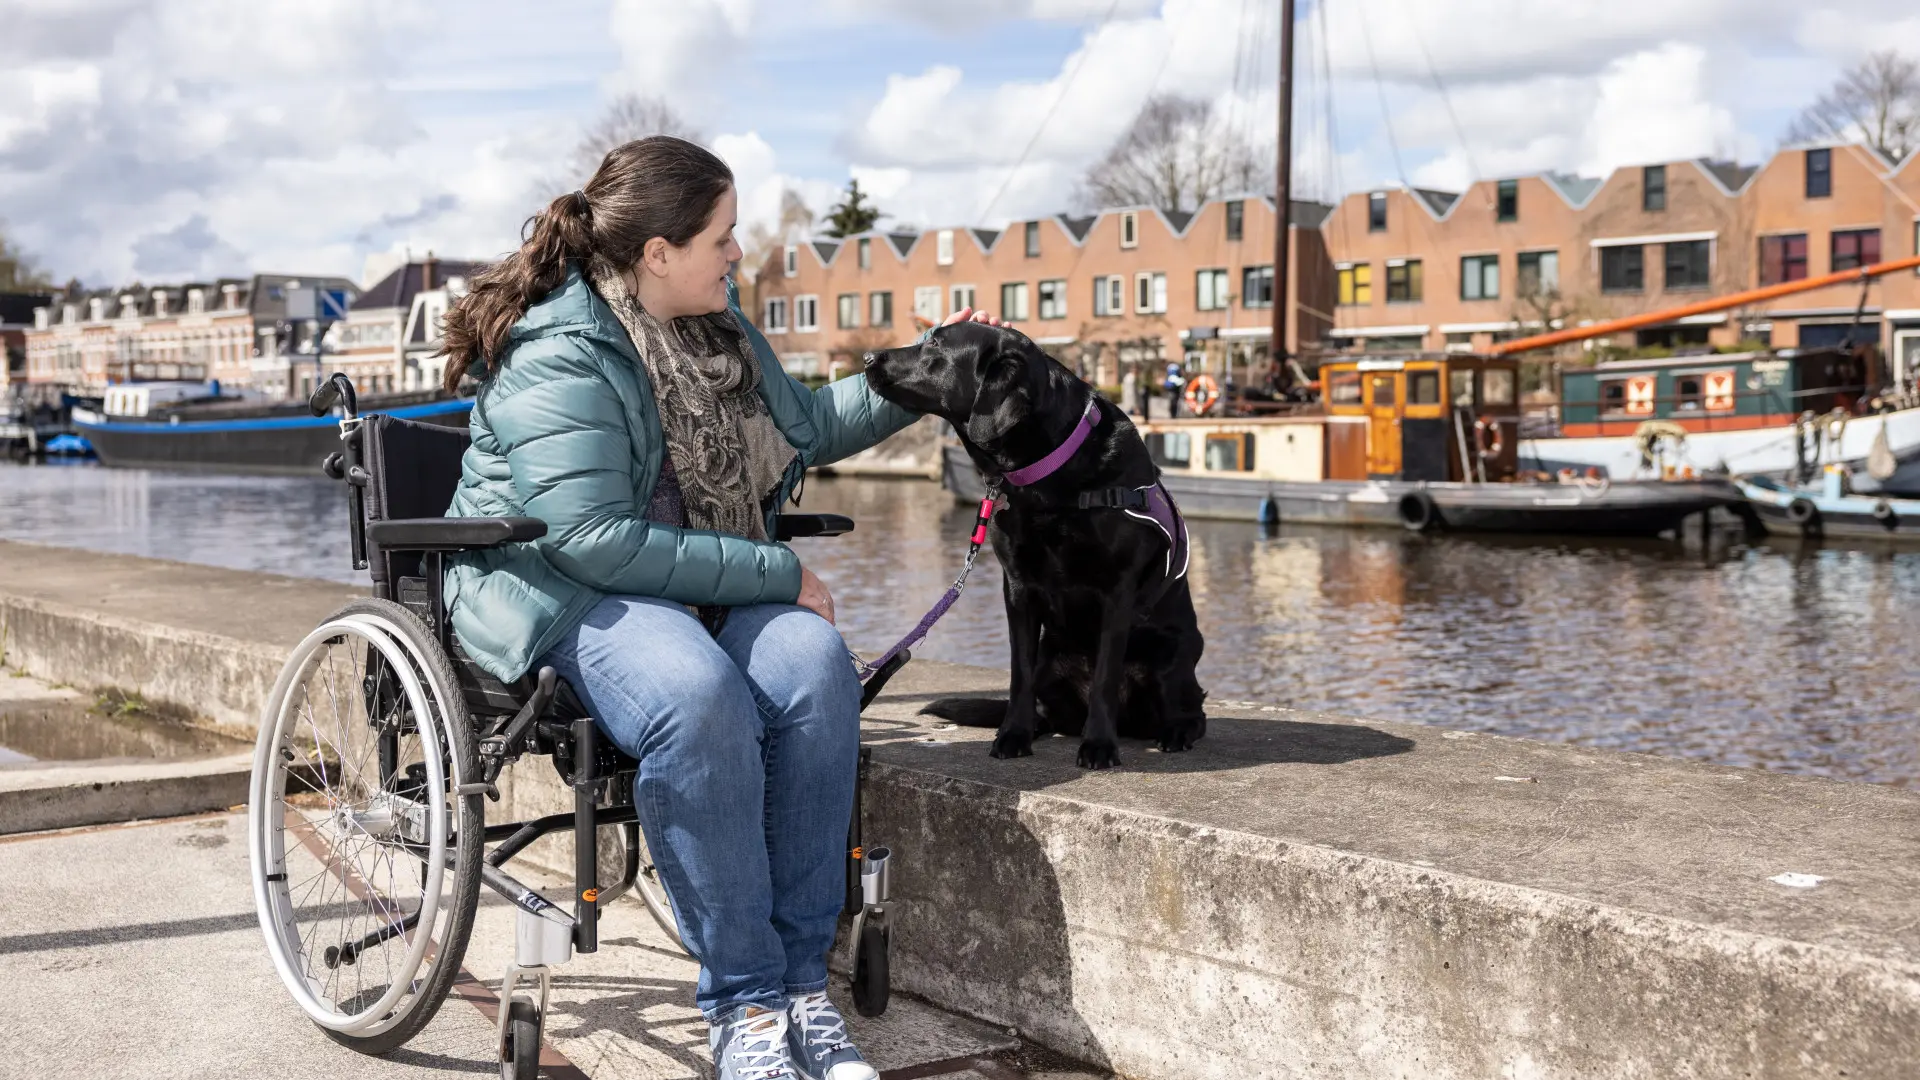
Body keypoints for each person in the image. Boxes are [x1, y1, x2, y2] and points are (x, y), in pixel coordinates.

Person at [437, 136, 1002, 1080]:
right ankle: (743, 1006)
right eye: (724, 237)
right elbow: (590, 539)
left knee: (816, 668)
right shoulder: (559, 348)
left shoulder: (719, 328)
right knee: (698, 695)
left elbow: (808, 428)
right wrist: (775, 573)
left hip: (693, 573)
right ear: (658, 252)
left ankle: (795, 991)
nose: (738, 255)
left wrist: (928, 366)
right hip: (570, 587)